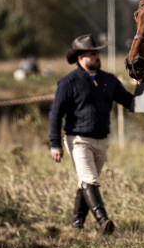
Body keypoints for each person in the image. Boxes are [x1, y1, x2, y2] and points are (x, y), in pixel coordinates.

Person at [49, 34, 135, 234]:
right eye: (91, 54)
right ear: (80, 58)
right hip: (78, 140)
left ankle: (77, 224)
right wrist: (55, 143)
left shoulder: (109, 80)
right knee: (90, 180)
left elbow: (132, 104)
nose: (97, 57)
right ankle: (103, 221)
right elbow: (55, 114)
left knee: (86, 182)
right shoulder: (67, 82)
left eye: (97, 53)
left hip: (102, 141)